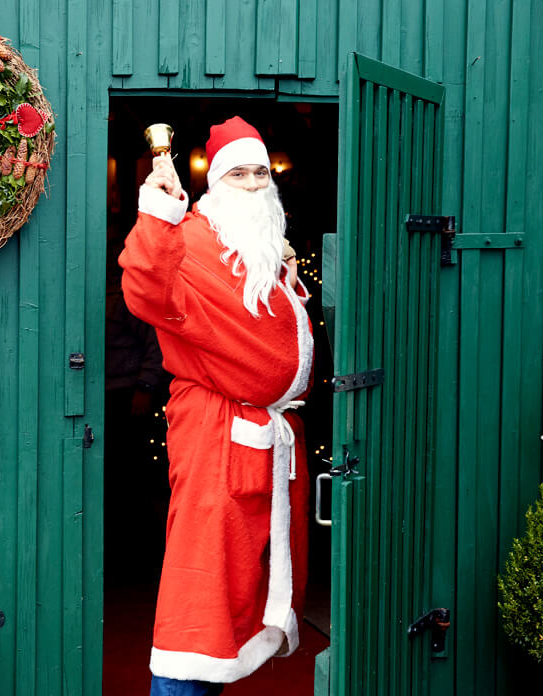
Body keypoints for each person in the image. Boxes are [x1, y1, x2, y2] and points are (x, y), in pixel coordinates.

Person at [120, 116, 313, 695]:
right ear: (215, 182)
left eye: (260, 172)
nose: (254, 184)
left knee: (231, 611)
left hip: (258, 444)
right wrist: (157, 209)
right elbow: (145, 287)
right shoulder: (193, 237)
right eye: (239, 173)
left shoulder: (261, 249)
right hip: (215, 441)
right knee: (196, 612)